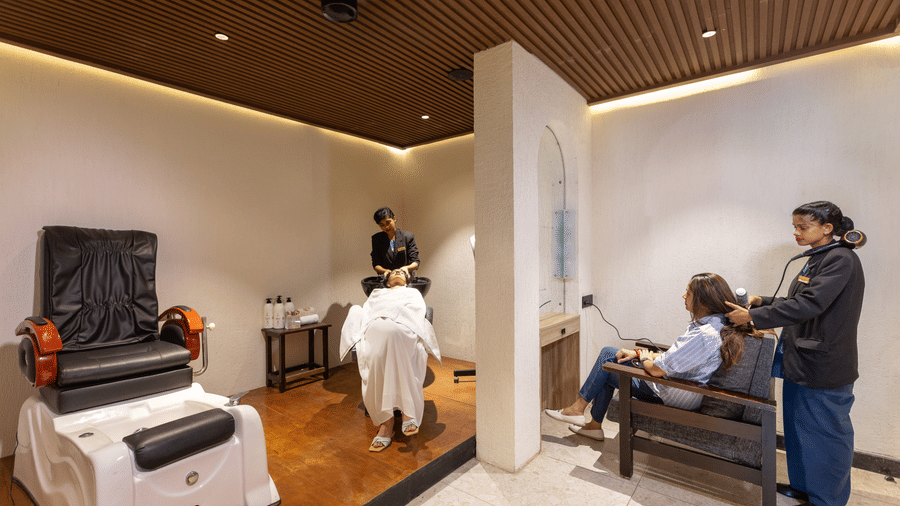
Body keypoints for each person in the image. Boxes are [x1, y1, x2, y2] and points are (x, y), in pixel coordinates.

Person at [725, 201, 864, 506]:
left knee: (826, 438)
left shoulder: (841, 259)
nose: (797, 233)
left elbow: (810, 305)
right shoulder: (818, 258)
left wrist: (753, 318)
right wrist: (762, 301)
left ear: (827, 228)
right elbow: (798, 299)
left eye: (803, 227)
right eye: (795, 227)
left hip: (824, 367)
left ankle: (827, 500)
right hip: (800, 362)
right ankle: (804, 488)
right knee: (800, 432)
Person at [545, 273, 760, 441]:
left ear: (703, 302)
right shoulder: (713, 325)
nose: (683, 297)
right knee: (612, 363)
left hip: (675, 392)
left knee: (608, 356)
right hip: (676, 384)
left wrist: (646, 360)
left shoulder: (705, 335)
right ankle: (592, 425)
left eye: (688, 293)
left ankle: (577, 409)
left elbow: (658, 370)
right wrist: (639, 353)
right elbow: (676, 357)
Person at [340, 269, 441, 452]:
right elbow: (369, 314)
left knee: (392, 334)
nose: (397, 272)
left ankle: (387, 425)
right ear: (386, 281)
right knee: (383, 340)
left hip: (403, 329)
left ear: (408, 280)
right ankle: (404, 415)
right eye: (394, 271)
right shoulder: (377, 294)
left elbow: (415, 313)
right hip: (377, 327)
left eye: (402, 272)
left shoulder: (412, 293)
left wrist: (395, 319)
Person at [371, 207, 419, 280]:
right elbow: (376, 264)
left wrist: (406, 268)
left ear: (394, 218)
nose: (386, 227)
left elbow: (415, 262)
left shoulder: (407, 237)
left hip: (405, 279)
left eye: (388, 222)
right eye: (382, 225)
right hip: (386, 280)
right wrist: (385, 271)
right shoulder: (377, 239)